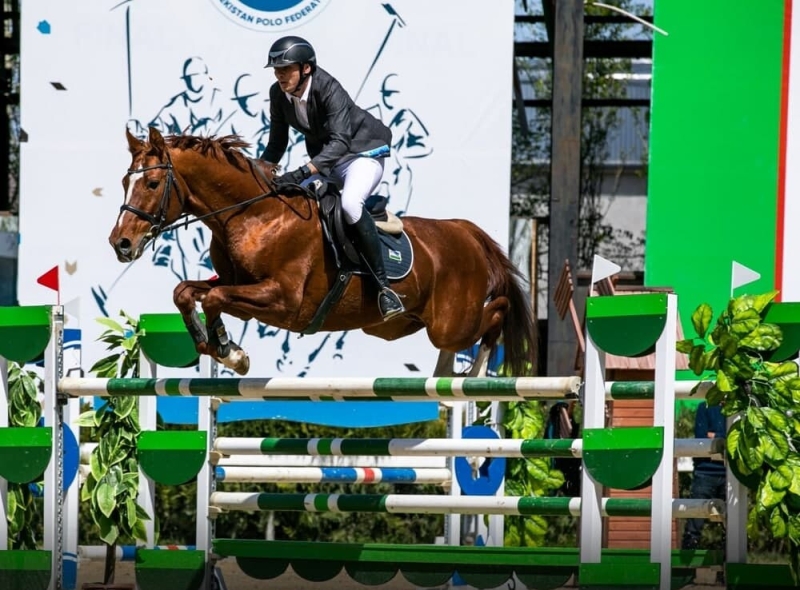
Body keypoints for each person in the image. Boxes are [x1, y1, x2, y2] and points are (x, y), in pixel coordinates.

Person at [258, 36, 404, 321]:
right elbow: (276, 144)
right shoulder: (278, 93)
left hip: (362, 154)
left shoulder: (328, 87)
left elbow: (340, 142)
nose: (279, 75)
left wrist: (302, 172)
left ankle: (385, 289)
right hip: (328, 159)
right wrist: (258, 172)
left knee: (349, 204)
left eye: (286, 69)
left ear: (306, 69)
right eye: (276, 69)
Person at [681, 401, 727, 551]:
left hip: (727, 474)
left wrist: (715, 436)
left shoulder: (739, 407)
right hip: (705, 472)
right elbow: (701, 437)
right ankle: (685, 573)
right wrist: (724, 438)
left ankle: (726, 572)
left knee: (731, 531)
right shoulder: (705, 406)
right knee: (693, 527)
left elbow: (738, 438)